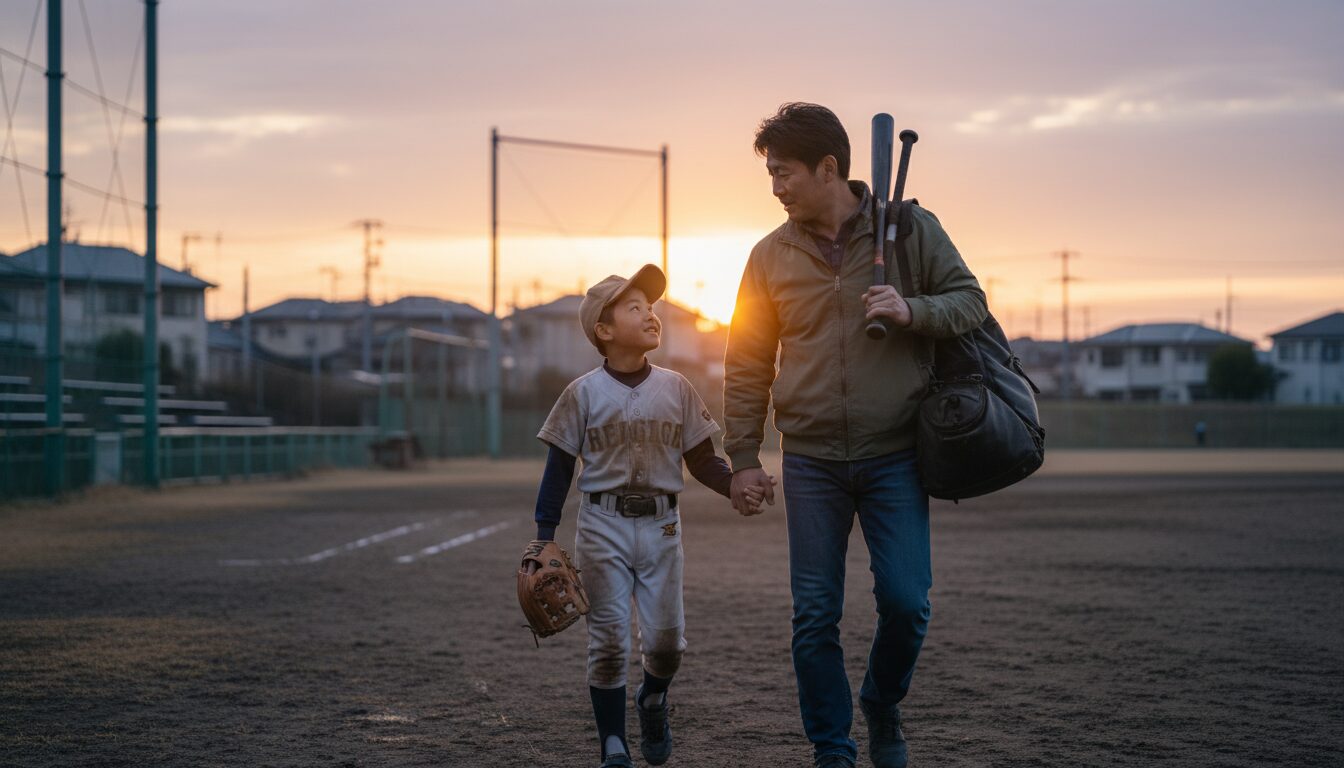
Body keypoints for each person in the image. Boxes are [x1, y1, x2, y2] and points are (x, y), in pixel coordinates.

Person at [723, 103, 988, 768]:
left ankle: (882, 700)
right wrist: (744, 457)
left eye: (783, 174)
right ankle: (833, 751)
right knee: (814, 616)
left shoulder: (909, 230)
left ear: (829, 168)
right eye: (771, 175)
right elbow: (747, 362)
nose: (775, 187)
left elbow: (971, 301)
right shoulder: (768, 256)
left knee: (906, 602)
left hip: (897, 452)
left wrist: (911, 309)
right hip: (810, 460)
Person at [530, 264, 769, 768]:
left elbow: (703, 459)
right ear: (604, 330)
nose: (651, 314)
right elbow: (559, 468)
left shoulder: (677, 387)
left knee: (666, 645)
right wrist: (543, 536)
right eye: (634, 308)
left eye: (652, 307)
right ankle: (613, 745)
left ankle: (653, 699)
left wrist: (733, 487)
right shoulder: (582, 392)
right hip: (601, 526)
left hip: (662, 526)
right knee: (610, 640)